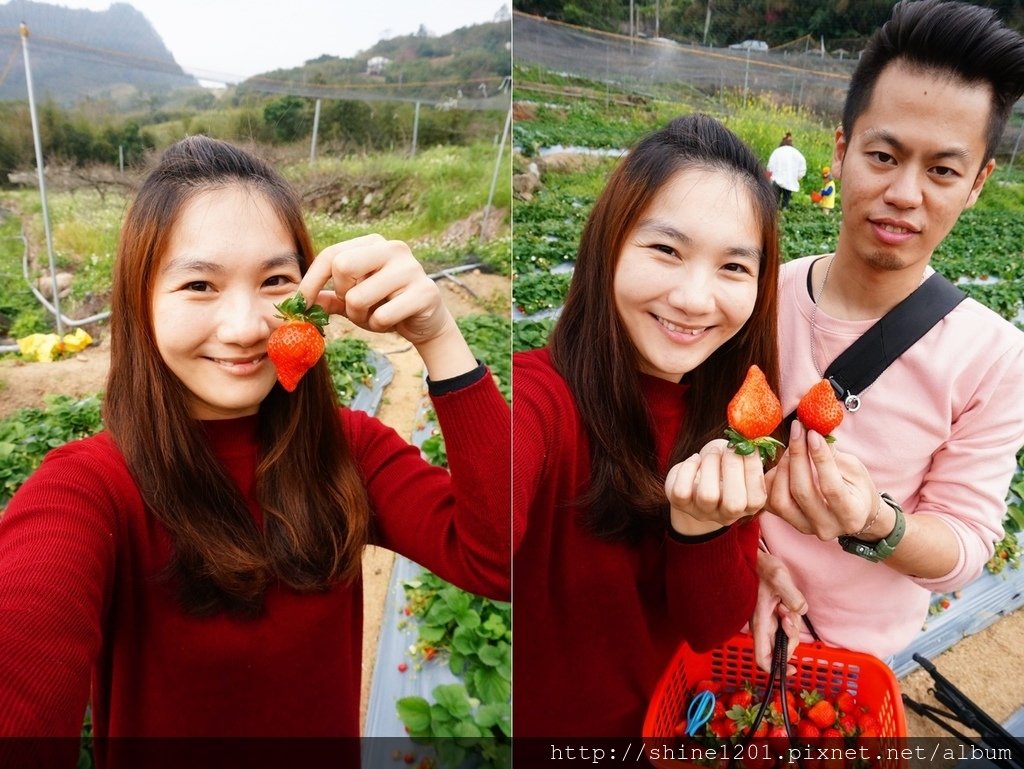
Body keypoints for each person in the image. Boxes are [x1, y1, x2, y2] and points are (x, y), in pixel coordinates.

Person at [0, 137, 510, 760]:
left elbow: (503, 559)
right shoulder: (87, 491)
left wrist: (439, 338)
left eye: (275, 280)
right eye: (198, 285)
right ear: (141, 303)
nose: (244, 328)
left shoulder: (346, 449)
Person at [753, 0, 1024, 671]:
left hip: (856, 656)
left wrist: (876, 522)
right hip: (718, 609)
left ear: (977, 184)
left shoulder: (994, 358)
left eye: (942, 170)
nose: (904, 192)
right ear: (841, 151)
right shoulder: (753, 294)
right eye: (883, 154)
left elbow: (963, 545)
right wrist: (747, 562)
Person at [513, 114, 783, 740]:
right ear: (609, 244)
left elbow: (710, 627)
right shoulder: (541, 396)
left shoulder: (736, 422)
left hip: (668, 727)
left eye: (734, 268)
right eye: (666, 250)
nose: (694, 299)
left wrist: (702, 529)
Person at [766, 131, 807, 209]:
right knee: (786, 199)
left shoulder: (776, 152)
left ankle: (774, 213)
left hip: (776, 181)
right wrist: (796, 178)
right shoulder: (797, 154)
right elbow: (802, 169)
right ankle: (784, 212)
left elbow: (770, 167)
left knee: (775, 200)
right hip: (789, 181)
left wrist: (771, 177)